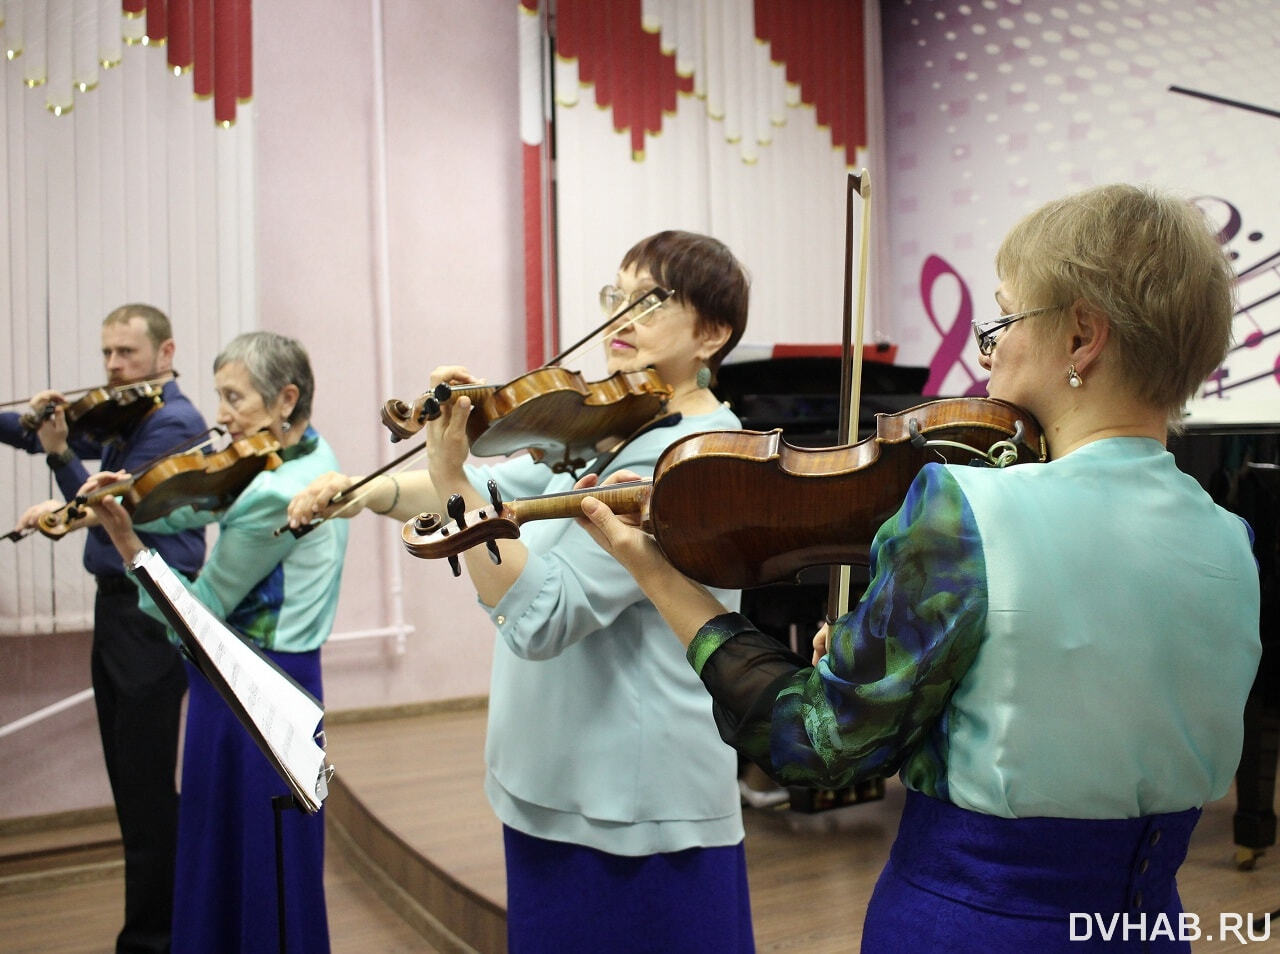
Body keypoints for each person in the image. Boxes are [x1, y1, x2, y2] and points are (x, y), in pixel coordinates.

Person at [578, 185, 1263, 952]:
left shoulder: (969, 506)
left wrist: (660, 576)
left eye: (1002, 319)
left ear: (1081, 338)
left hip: (974, 927)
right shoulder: (1230, 537)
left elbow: (816, 745)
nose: (990, 350)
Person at [288, 231, 756, 952]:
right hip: (554, 782)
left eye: (650, 301)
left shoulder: (689, 459)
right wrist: (367, 492)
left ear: (714, 333)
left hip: (633, 810)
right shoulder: (614, 430)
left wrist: (451, 476)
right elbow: (505, 486)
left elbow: (543, 614)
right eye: (616, 297)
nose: (622, 319)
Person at [79, 331, 349, 954]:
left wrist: (127, 543)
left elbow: (198, 615)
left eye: (234, 397)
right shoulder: (309, 455)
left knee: (239, 853)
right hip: (284, 683)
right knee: (271, 858)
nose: (221, 414)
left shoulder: (277, 495)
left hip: (246, 691)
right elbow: (202, 502)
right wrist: (133, 499)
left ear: (285, 399)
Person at [1, 304, 206, 954]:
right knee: (131, 783)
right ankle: (162, 928)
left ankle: (156, 938)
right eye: (108, 355)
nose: (114, 368)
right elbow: (43, 438)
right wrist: (37, 423)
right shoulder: (129, 416)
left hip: (149, 616)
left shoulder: (173, 422)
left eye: (128, 354)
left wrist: (61, 450)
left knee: (145, 791)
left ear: (165, 354)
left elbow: (95, 507)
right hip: (115, 612)